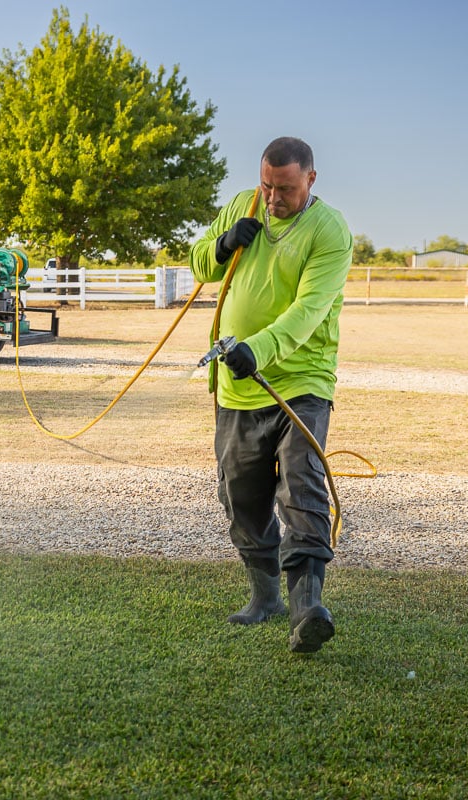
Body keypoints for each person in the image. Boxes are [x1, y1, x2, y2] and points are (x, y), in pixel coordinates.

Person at [189, 137, 352, 653]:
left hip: (301, 381)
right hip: (236, 387)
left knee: (301, 486)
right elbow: (200, 265)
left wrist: (257, 349)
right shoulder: (244, 204)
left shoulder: (330, 232)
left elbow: (307, 313)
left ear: (310, 180)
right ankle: (265, 598)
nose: (273, 198)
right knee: (240, 496)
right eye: (266, 185)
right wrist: (220, 245)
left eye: (284, 188)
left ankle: (307, 608)